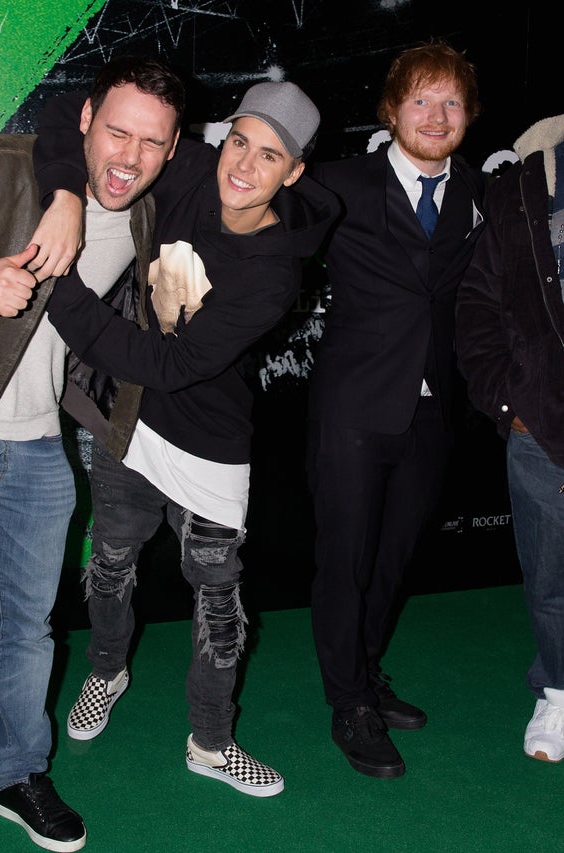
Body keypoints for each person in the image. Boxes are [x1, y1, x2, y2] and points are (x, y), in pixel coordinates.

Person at [31, 78, 339, 797]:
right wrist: (65, 196)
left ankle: (211, 740)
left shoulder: (274, 272)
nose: (244, 166)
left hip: (208, 442)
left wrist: (59, 287)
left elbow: (169, 364)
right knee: (110, 563)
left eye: (269, 156)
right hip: (129, 419)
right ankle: (107, 670)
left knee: (219, 603)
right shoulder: (194, 167)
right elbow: (67, 109)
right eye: (239, 142)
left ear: (293, 172)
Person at [0, 55, 185, 851]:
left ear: (173, 148)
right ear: (82, 120)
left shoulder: (145, 216)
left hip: (40, 451)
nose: (129, 157)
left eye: (151, 142)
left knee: (30, 628)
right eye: (115, 131)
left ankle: (19, 774)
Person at [305, 40, 485, 778]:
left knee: (393, 559)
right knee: (345, 559)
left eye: (451, 102)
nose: (436, 116)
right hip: (353, 406)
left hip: (434, 408)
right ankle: (348, 701)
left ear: (469, 114)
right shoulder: (338, 183)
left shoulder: (479, 192)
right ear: (390, 110)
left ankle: (366, 670)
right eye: (421, 100)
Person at [456, 115, 564, 763]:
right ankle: (558, 690)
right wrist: (509, 401)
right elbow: (476, 307)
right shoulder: (518, 189)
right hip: (542, 423)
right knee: (550, 576)